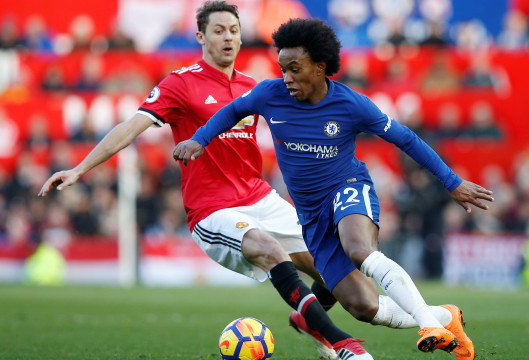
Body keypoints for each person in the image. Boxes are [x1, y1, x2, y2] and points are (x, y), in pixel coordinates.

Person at [38, 3, 367, 359]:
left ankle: (310, 320)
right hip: (213, 209)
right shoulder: (180, 83)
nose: (228, 37)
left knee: (333, 268)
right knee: (269, 249)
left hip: (260, 197)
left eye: (234, 30)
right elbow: (131, 127)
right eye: (219, 30)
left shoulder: (251, 87)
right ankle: (341, 343)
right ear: (200, 36)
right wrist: (78, 169)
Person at [174, 18, 495, 360]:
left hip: (347, 188)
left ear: (320, 67)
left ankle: (428, 326)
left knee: (359, 248)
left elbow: (405, 139)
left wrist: (453, 182)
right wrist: (199, 139)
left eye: (294, 69)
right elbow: (234, 110)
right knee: (362, 307)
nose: (287, 78)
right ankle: (446, 316)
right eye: (282, 69)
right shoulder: (270, 95)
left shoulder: (350, 104)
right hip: (312, 218)